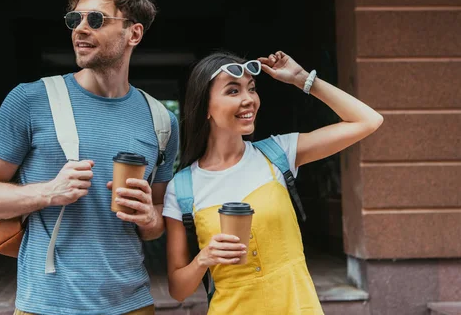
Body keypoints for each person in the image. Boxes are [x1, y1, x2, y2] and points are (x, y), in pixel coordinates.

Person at [0, 0, 179, 315]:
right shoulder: (30, 100)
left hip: (133, 305)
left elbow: (156, 221)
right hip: (46, 306)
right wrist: (49, 192)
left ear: (133, 33)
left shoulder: (161, 120)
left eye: (96, 19)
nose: (80, 28)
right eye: (74, 19)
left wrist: (149, 219)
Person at [162, 51, 383, 314]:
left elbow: (368, 120)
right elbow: (178, 289)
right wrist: (203, 259)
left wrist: (302, 79)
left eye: (251, 89)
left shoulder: (279, 154)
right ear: (204, 106)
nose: (249, 100)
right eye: (233, 91)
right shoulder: (182, 188)